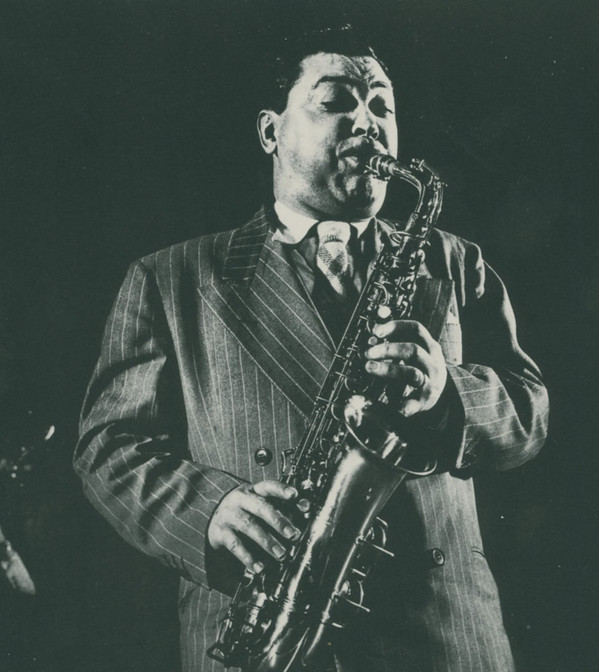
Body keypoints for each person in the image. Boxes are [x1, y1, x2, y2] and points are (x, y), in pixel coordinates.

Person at [74, 26, 549, 672]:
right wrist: (209, 512)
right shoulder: (170, 279)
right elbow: (109, 448)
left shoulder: (454, 261)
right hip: (265, 633)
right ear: (270, 132)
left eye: (381, 105)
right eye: (336, 102)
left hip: (445, 640)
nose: (368, 123)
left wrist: (447, 393)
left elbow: (529, 411)